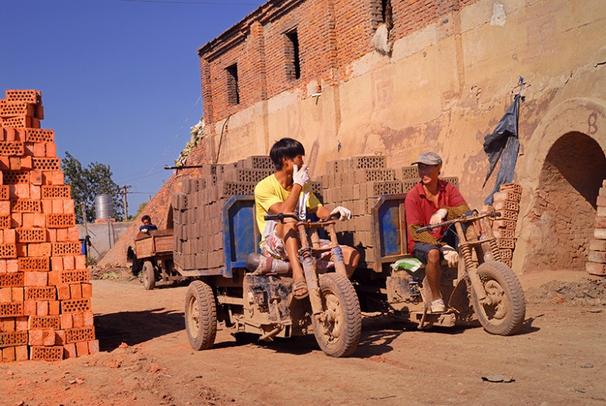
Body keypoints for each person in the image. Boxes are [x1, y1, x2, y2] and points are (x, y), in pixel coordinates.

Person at [254, 138, 359, 299]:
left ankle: (329, 294)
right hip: (275, 244)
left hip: (303, 241)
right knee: (289, 220)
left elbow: (318, 209)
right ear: (285, 160)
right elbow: (284, 211)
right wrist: (297, 185)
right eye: (299, 157)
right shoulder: (264, 187)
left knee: (351, 255)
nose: (303, 162)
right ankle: (298, 276)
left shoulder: (303, 185)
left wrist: (334, 212)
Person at [405, 152, 470, 313]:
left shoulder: (448, 188)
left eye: (428, 168)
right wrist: (442, 246)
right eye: (421, 168)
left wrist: (444, 211)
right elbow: (415, 231)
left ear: (438, 168)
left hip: (443, 237)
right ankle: (436, 298)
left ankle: (471, 284)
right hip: (421, 242)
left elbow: (464, 210)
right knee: (433, 254)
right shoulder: (413, 196)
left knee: (469, 231)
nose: (424, 172)